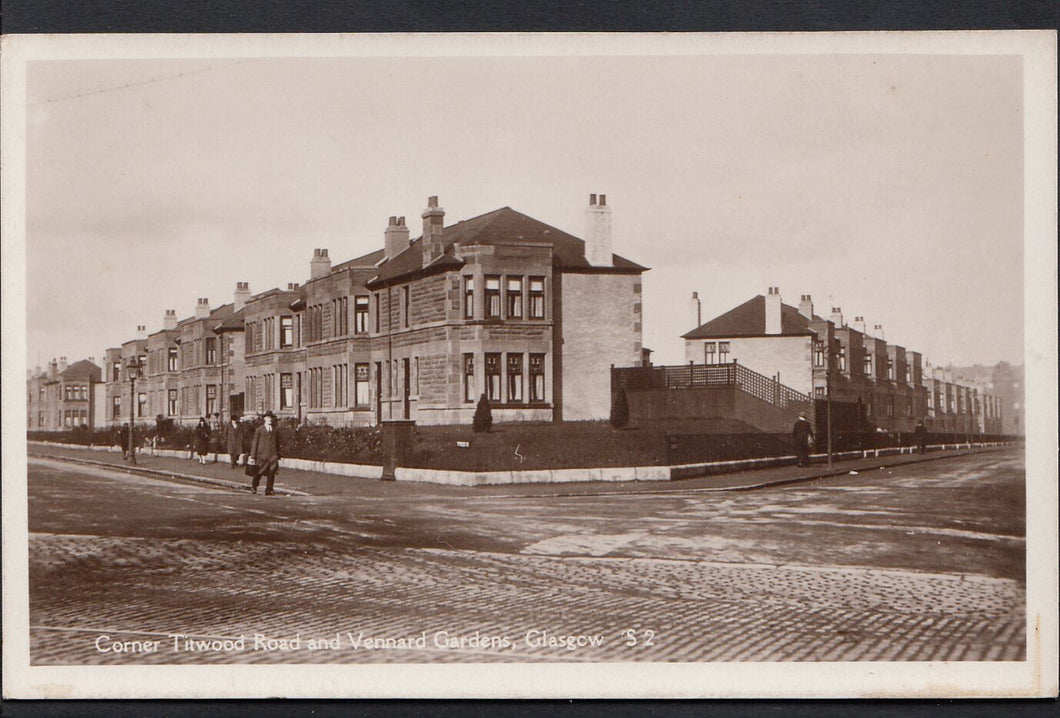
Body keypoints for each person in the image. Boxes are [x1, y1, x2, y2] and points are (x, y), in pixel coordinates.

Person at [248, 412, 281, 495]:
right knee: (259, 472)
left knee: (271, 472)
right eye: (268, 418)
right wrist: (253, 456)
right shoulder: (259, 430)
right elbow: (255, 443)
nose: (270, 420)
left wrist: (279, 454)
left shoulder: (275, 429)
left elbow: (277, 443)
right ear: (264, 419)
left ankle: (269, 489)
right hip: (261, 455)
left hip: (272, 455)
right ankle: (254, 486)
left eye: (271, 418)